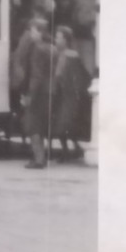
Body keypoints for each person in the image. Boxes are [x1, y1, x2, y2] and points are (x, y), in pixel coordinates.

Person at [14, 14, 58, 169]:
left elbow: (36, 76)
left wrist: (29, 95)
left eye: (32, 30)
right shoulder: (52, 47)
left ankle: (39, 159)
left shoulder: (37, 49)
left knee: (32, 124)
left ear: (39, 31)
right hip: (50, 91)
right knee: (41, 124)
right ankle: (42, 157)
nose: (30, 34)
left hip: (38, 92)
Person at [49, 24, 92, 162]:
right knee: (63, 124)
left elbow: (70, 77)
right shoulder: (59, 53)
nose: (56, 39)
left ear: (66, 40)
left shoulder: (71, 56)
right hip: (62, 94)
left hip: (69, 95)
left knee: (64, 124)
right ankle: (71, 150)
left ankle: (69, 151)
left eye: (59, 37)